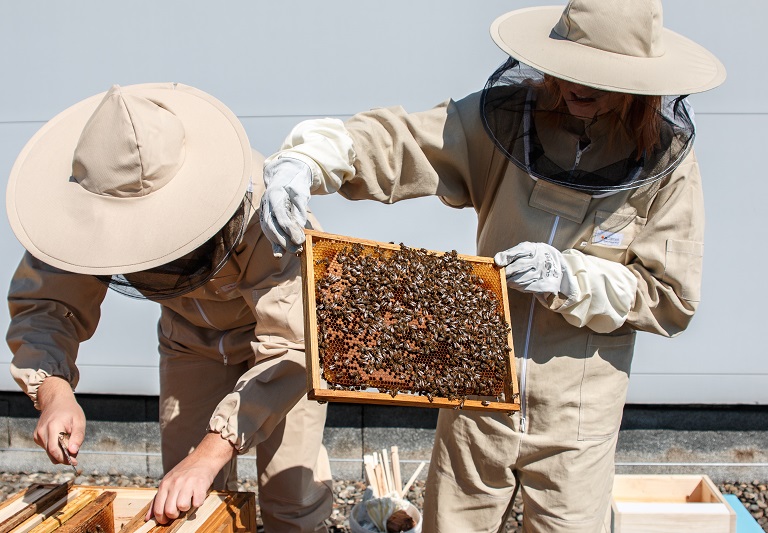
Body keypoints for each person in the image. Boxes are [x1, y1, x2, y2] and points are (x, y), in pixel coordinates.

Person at [259, 0, 725, 530]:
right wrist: (311, 157)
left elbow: (671, 296)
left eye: (601, 74)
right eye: (572, 67)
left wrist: (572, 277)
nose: (579, 85)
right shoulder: (503, 119)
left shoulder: (667, 163)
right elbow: (406, 139)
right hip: (476, 390)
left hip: (578, 414)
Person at [5, 83, 333, 532]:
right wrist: (54, 390)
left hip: (284, 350)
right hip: (188, 342)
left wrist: (212, 450)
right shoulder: (86, 201)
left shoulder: (269, 209)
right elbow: (45, 305)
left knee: (291, 493)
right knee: (184, 494)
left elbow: (296, 343)